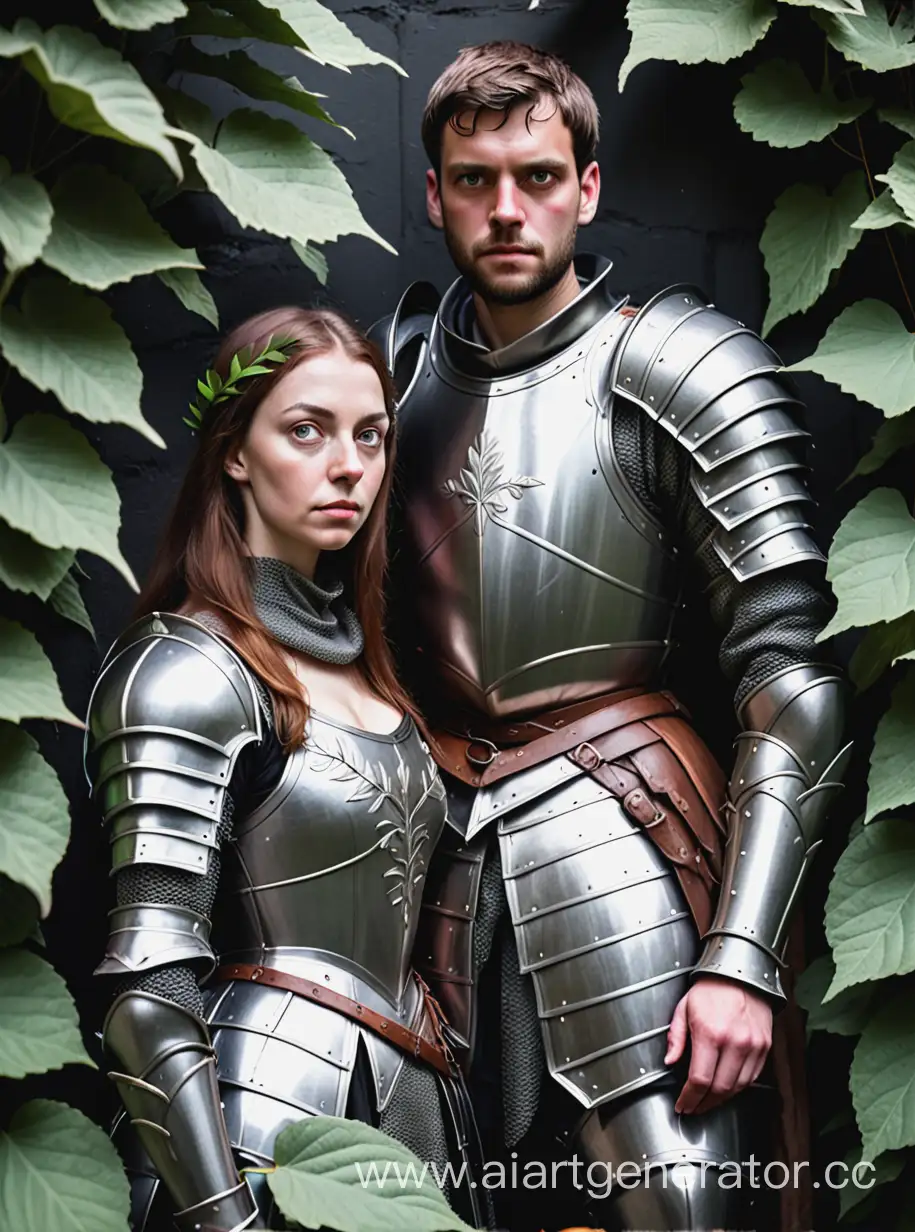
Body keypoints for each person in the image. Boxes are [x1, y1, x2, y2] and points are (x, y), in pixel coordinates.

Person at [371, 41, 850, 1231]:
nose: (506, 207)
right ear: (433, 193)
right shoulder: (389, 376)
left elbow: (787, 680)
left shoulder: (682, 366)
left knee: (674, 1195)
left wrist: (741, 955)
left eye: (536, 176)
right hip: (422, 832)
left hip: (617, 812)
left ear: (587, 187)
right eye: (474, 180)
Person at [84, 308, 483, 1232]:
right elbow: (148, 990)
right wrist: (227, 1217)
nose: (349, 465)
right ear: (235, 451)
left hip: (418, 1113)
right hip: (253, 1124)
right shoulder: (186, 669)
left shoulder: (375, 669)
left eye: (371, 436)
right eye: (306, 430)